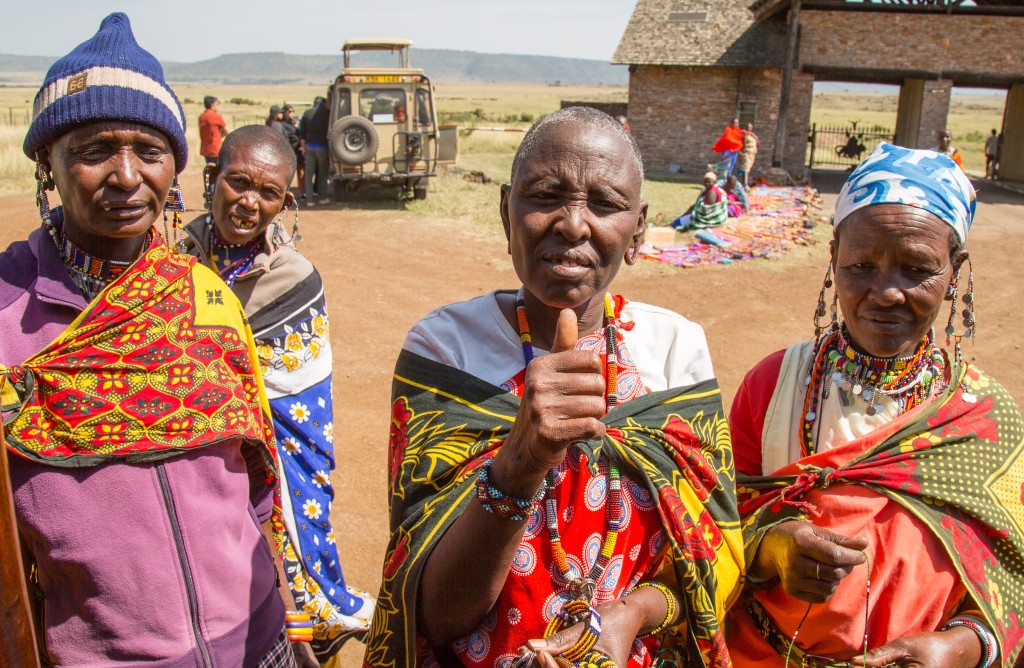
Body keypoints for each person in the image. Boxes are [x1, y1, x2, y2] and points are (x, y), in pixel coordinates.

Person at [364, 107, 742, 668]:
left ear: (638, 231)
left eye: (605, 204)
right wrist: (520, 461)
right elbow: (434, 615)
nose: (572, 223)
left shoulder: (674, 351)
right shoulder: (446, 350)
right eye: (545, 195)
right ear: (504, 212)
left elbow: (715, 552)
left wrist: (630, 615)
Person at [0, 13, 293, 666]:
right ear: (47, 165)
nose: (127, 176)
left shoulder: (203, 296)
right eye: (94, 149)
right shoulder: (6, 310)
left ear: (175, 167)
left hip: (255, 639)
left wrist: (287, 620)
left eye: (149, 151)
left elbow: (254, 484)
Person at [727, 142, 1024, 667]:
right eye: (861, 265)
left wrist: (958, 648)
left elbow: (1011, 574)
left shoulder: (983, 417)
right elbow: (711, 529)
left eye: (916, 269)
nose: (886, 292)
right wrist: (774, 545)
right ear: (833, 258)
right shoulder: (773, 386)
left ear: (954, 272)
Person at [181, 125, 375, 664]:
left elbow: (300, 407)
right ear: (210, 179)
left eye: (267, 193)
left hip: (269, 457)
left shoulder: (295, 280)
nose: (249, 203)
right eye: (237, 183)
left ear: (284, 202)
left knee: (283, 567)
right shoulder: (168, 258)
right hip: (185, 449)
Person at [300, 89, 332, 206]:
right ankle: (322, 198)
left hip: (309, 147)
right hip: (322, 147)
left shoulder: (307, 113)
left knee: (308, 174)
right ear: (323, 102)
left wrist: (303, 148)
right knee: (323, 173)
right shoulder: (328, 113)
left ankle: (309, 200)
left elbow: (302, 135)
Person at [282, 104, 304, 196]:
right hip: (291, 150)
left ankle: (301, 192)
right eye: (290, 111)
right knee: (288, 174)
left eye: (292, 111)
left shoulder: (293, 123)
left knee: (301, 172)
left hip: (298, 150)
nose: (291, 113)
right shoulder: (283, 124)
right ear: (285, 113)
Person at [199, 94, 227, 164]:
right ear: (212, 105)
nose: (217, 107)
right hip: (215, 148)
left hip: (205, 149)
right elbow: (226, 131)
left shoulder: (201, 117)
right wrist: (218, 136)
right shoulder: (215, 116)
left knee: (210, 170)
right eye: (217, 104)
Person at [734, 123, 758, 189]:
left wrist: (755, 137)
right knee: (745, 168)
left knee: (747, 168)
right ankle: (745, 184)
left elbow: (758, 142)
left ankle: (743, 183)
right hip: (745, 153)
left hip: (752, 153)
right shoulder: (743, 134)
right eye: (748, 127)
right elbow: (742, 144)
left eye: (750, 127)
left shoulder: (752, 135)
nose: (749, 128)